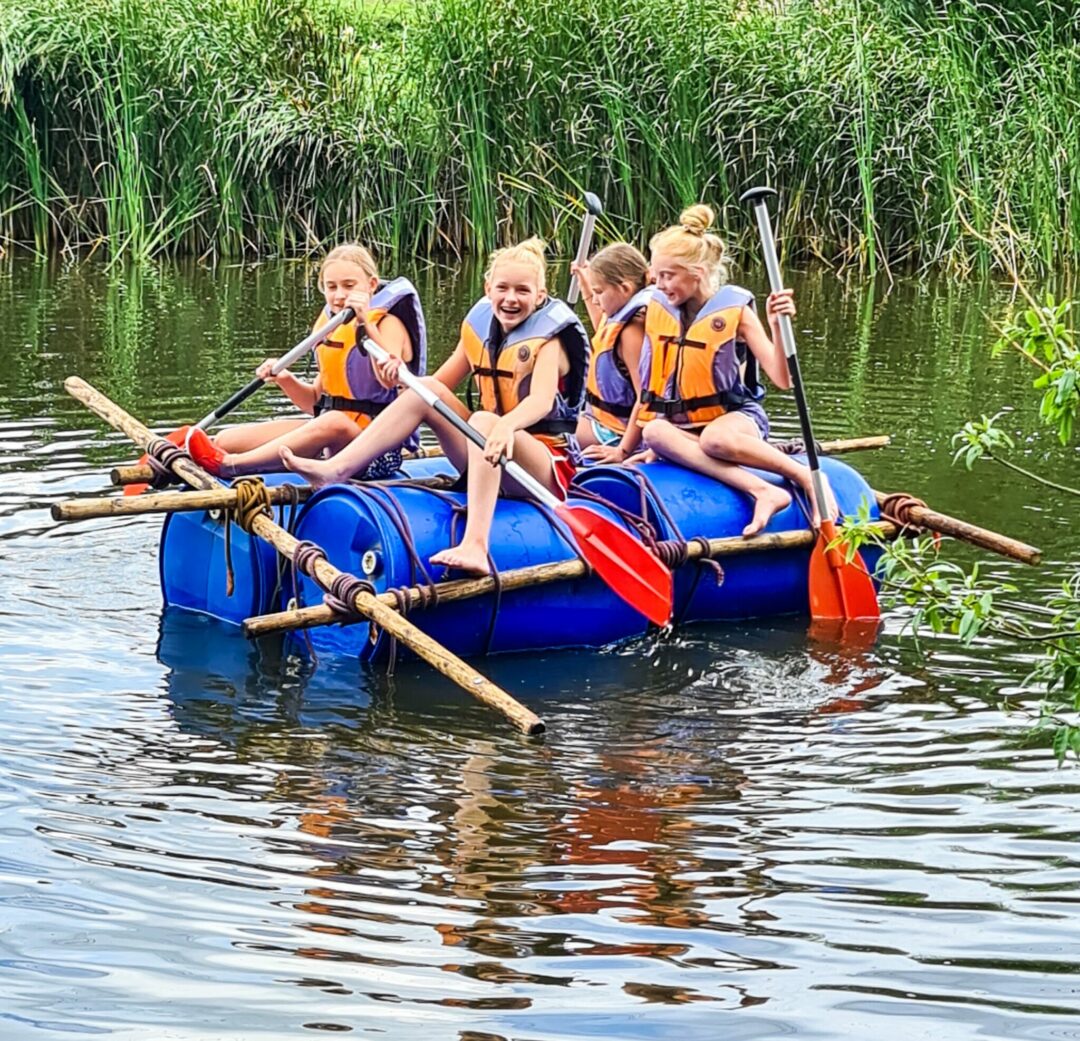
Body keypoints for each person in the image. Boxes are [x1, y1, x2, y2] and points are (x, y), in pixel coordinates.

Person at [281, 238, 590, 576]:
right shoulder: (479, 328)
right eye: (502, 288)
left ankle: (476, 545)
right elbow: (435, 387)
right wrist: (397, 374)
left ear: (540, 296)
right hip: (486, 456)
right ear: (488, 289)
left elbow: (541, 402)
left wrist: (505, 426)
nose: (511, 298)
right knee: (426, 388)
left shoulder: (551, 342)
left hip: (540, 467)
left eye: (522, 290)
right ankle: (336, 469)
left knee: (485, 420)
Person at [637, 204, 830, 537]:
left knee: (716, 438)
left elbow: (782, 378)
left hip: (736, 419)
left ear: (696, 272)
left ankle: (805, 477)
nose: (659, 284)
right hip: (685, 427)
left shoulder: (736, 312)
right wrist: (626, 451)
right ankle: (762, 489)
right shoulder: (658, 308)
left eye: (668, 275)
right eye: (656, 274)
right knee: (654, 432)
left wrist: (776, 326)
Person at [187, 243, 426, 479]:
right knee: (227, 439)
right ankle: (194, 454)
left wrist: (366, 324)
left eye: (349, 286)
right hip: (333, 437)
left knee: (335, 422)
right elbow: (314, 402)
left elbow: (387, 380)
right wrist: (285, 379)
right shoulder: (331, 328)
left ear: (371, 285)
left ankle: (230, 465)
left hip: (376, 452)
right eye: (331, 287)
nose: (340, 295)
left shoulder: (388, 324)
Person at [569, 243, 652, 465]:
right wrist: (586, 285)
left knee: (546, 433)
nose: (595, 299)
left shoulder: (632, 331)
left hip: (615, 432)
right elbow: (603, 328)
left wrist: (623, 451)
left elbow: (645, 397)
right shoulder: (620, 316)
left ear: (624, 289)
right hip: (601, 419)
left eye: (599, 292)